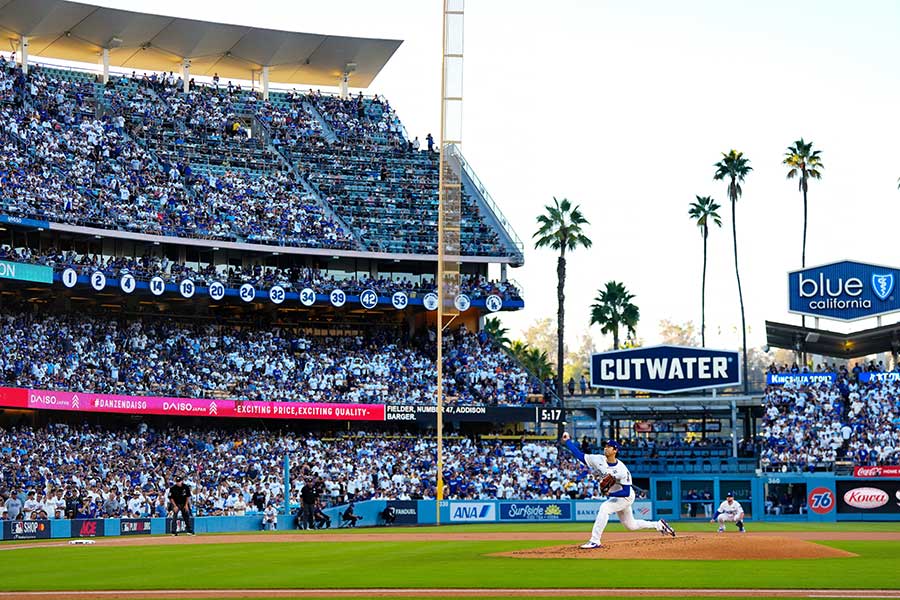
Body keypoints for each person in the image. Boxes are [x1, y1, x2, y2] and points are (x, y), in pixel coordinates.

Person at [561, 432, 675, 549]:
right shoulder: (598, 459)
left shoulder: (621, 469)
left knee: (604, 508)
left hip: (626, 496)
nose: (606, 448)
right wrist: (568, 441)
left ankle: (595, 540)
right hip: (616, 496)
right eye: (605, 446)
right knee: (631, 525)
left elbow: (626, 491)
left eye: (609, 447)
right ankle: (659, 525)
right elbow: (580, 455)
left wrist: (610, 493)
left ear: (615, 450)